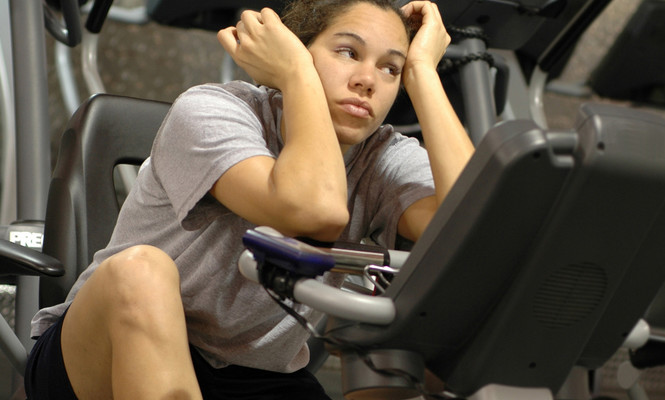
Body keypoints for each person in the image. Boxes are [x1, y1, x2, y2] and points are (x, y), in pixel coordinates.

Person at [24, 0, 474, 398]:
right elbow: (314, 210)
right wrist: (296, 75)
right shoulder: (213, 109)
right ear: (296, 50)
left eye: (389, 68)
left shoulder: (383, 155)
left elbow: (476, 225)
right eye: (347, 52)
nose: (367, 80)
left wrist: (424, 74)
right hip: (99, 351)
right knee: (140, 272)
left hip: (256, 376)